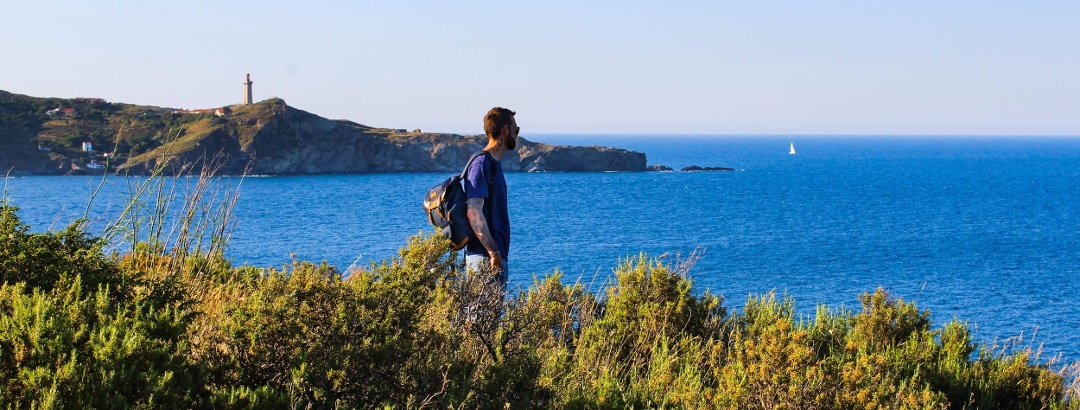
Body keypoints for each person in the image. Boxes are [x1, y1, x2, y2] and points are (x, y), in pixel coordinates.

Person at [464, 107, 518, 295]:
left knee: (489, 321)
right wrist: (493, 253)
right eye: (515, 130)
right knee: (478, 321)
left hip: (492, 257)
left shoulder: (493, 165)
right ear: (505, 130)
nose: (516, 135)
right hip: (484, 258)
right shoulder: (481, 163)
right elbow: (474, 212)